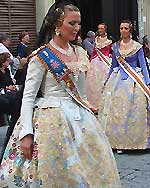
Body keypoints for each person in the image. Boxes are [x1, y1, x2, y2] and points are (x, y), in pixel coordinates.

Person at [0, 3, 121, 187]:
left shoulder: (80, 53)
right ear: (57, 24)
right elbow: (28, 97)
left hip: (82, 122)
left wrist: (88, 104)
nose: (77, 28)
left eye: (79, 23)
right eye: (72, 23)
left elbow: (80, 91)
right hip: (51, 122)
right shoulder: (41, 56)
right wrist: (26, 133)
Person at [103, 20, 150, 152]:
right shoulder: (115, 47)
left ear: (130, 30)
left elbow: (143, 65)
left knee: (135, 109)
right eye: (121, 28)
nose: (123, 30)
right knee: (117, 110)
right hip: (117, 81)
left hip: (134, 80)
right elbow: (113, 66)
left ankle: (135, 142)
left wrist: (148, 82)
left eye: (125, 28)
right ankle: (117, 142)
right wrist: (106, 81)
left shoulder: (137, 46)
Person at [86, 23, 113, 125]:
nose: (100, 30)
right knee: (94, 84)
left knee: (105, 82)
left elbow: (112, 51)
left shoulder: (109, 39)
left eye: (102, 28)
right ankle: (95, 104)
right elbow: (94, 52)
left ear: (105, 29)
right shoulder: (96, 39)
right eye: (99, 28)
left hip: (106, 62)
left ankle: (106, 104)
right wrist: (90, 60)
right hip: (96, 63)